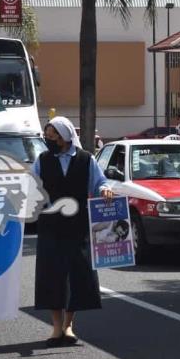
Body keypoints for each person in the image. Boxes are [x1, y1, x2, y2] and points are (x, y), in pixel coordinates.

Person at [34, 116, 113, 347]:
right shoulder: (42, 159)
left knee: (76, 275)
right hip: (50, 226)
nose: (48, 140)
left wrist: (106, 190)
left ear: (65, 137)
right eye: (46, 136)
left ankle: (69, 325)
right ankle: (56, 326)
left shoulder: (86, 159)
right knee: (52, 275)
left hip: (78, 226)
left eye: (53, 136)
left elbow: (100, 182)